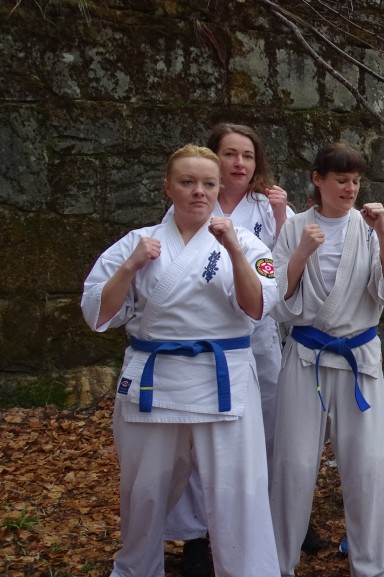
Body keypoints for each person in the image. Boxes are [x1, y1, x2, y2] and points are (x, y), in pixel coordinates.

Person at [80, 144, 280, 577]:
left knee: (237, 492)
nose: (198, 191)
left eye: (208, 183)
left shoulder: (248, 244)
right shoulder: (136, 243)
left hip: (223, 378)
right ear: (168, 187)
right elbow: (97, 314)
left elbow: (259, 307)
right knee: (144, 491)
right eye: (187, 182)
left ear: (219, 188)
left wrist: (235, 250)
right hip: (154, 377)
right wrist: (130, 267)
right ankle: (136, 569)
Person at [160, 124, 302, 576]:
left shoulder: (269, 204)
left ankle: (265, 519)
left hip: (256, 332)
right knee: (197, 436)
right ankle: (196, 533)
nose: (239, 164)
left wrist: (280, 216)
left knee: (266, 427)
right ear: (212, 157)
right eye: (230, 154)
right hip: (203, 336)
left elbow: (285, 266)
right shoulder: (192, 200)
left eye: (248, 156)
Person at [268, 143, 384, 577]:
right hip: (306, 356)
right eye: (341, 180)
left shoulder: (368, 228)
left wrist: (383, 233)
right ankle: (277, 563)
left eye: (356, 181)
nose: (350, 189)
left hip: (358, 361)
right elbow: (276, 300)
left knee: (370, 465)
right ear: (318, 179)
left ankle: (377, 566)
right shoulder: (295, 228)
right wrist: (301, 254)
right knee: (292, 465)